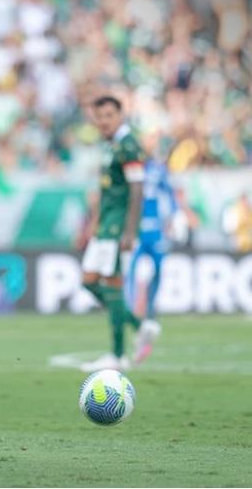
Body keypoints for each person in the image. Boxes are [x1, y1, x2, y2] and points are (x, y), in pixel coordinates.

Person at [78, 95, 152, 373]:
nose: (104, 121)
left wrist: (130, 231)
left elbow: (137, 189)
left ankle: (118, 355)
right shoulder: (111, 145)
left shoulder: (129, 145)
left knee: (111, 284)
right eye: (99, 117)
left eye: (109, 115)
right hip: (105, 222)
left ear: (120, 115)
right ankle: (138, 325)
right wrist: (94, 220)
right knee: (89, 280)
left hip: (118, 225)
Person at [124, 155, 174, 364]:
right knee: (130, 273)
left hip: (155, 229)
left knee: (158, 270)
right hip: (136, 230)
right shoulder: (129, 166)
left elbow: (169, 195)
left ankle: (151, 311)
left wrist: (170, 219)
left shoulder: (158, 169)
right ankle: (134, 315)